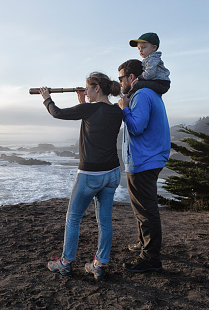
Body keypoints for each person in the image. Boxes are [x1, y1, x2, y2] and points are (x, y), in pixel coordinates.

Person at [41, 72, 123, 281]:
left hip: (90, 174)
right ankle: (99, 264)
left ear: (96, 88)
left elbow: (57, 113)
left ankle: (65, 263)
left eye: (87, 88)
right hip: (113, 172)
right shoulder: (117, 111)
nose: (85, 91)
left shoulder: (89, 109)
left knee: (74, 218)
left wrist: (47, 98)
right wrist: (83, 101)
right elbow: (95, 121)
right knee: (104, 221)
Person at [117, 59, 171, 273]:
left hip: (144, 160)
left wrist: (124, 109)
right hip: (148, 157)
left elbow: (137, 127)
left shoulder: (141, 95)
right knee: (142, 208)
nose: (119, 82)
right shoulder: (149, 93)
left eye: (121, 78)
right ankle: (144, 243)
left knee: (146, 210)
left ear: (131, 78)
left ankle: (150, 259)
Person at [128, 32, 170, 98]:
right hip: (159, 82)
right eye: (139, 48)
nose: (140, 50)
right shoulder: (149, 59)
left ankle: (129, 97)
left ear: (154, 48)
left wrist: (139, 78)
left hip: (161, 83)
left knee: (138, 84)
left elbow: (150, 73)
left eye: (143, 47)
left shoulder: (152, 59)